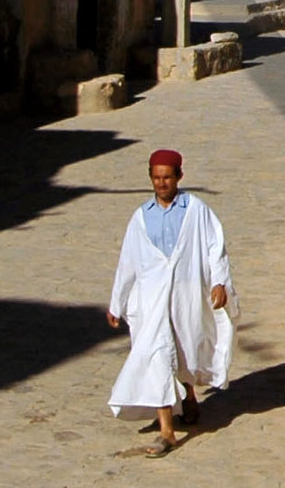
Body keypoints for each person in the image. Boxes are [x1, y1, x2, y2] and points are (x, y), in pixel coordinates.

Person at [106, 148, 237, 457]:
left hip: (185, 296)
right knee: (155, 355)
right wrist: (117, 301)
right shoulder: (140, 218)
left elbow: (214, 247)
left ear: (179, 176)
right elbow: (128, 262)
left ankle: (189, 394)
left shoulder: (196, 211)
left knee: (182, 347)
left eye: (167, 177)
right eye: (156, 178)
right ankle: (166, 430)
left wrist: (219, 281)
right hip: (149, 300)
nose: (162, 183)